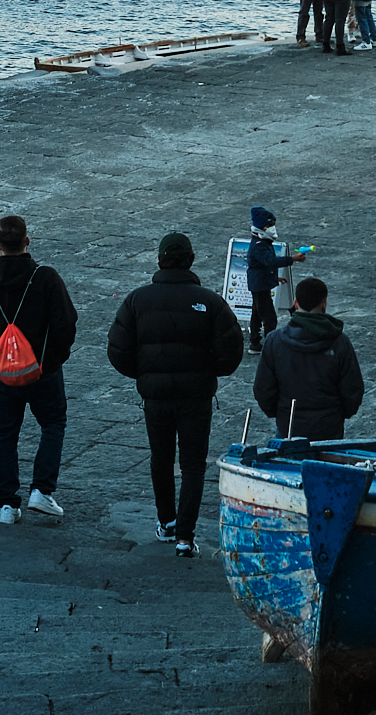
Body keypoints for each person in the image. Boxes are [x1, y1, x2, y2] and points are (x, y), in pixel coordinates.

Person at [106, 231, 245, 557]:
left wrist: (144, 374)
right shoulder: (210, 301)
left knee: (161, 458)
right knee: (194, 465)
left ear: (160, 260)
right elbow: (231, 349)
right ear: (190, 260)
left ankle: (166, 522)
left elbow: (118, 349)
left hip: (156, 397)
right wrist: (211, 372)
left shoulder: (137, 300)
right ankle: (185, 537)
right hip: (196, 397)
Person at [0, 214, 80, 524]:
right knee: (53, 424)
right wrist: (51, 360)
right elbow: (66, 323)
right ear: (27, 241)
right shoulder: (45, 278)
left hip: (1, 373)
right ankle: (42, 490)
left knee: (5, 435)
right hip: (42, 371)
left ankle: (7, 506)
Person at [253, 277, 364, 441]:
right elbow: (353, 389)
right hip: (328, 425)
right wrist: (340, 414)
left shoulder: (274, 341)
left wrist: (278, 413)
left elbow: (263, 388)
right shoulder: (340, 342)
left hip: (288, 423)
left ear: (296, 303)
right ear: (324, 304)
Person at [245, 207, 305, 352]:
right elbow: (270, 261)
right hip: (259, 286)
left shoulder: (262, 242)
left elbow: (262, 266)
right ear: (262, 227)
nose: (272, 229)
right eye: (270, 225)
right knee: (269, 317)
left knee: (256, 314)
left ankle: (255, 343)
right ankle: (269, 345)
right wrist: (292, 259)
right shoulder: (259, 245)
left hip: (260, 284)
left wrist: (275, 278)